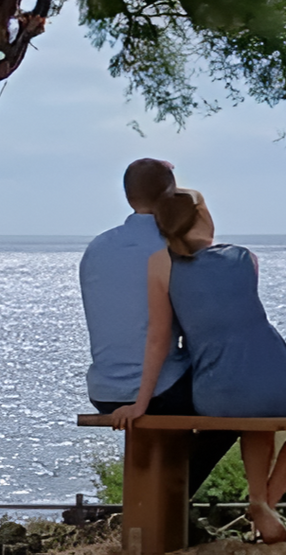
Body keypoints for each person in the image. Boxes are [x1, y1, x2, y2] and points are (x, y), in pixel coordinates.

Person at [107, 187, 286, 545]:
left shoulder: (160, 264)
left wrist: (140, 401)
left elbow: (158, 338)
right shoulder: (245, 258)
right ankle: (264, 501)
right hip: (275, 374)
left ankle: (263, 504)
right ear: (202, 215)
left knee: (254, 414)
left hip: (217, 390)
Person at [79, 159, 238, 495]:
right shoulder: (174, 250)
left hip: (104, 391)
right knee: (238, 408)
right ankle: (170, 498)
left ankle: (167, 509)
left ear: (127, 196)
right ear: (169, 193)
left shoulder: (97, 248)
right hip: (156, 392)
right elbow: (187, 328)